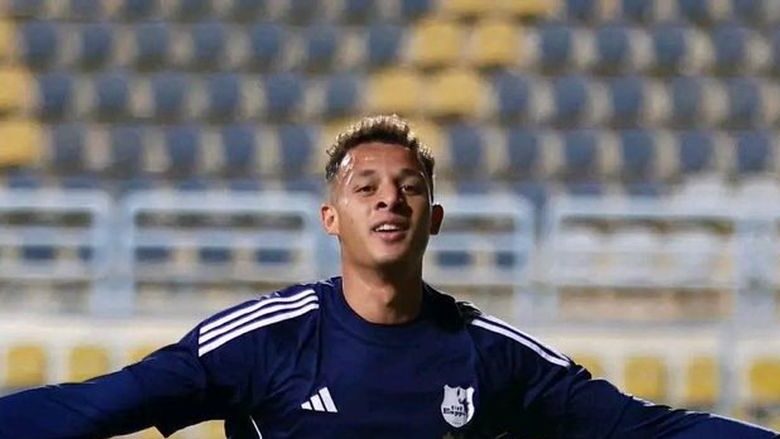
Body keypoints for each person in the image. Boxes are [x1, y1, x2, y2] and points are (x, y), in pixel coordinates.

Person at [0, 115, 776, 439]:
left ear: (433, 217)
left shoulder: (491, 354)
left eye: (409, 187)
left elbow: (648, 430)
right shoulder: (265, 340)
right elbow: (96, 405)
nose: (388, 198)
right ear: (331, 218)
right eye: (364, 186)